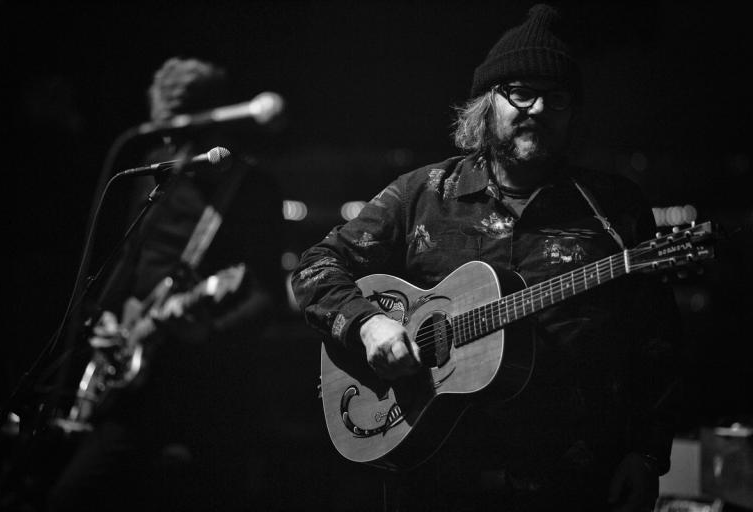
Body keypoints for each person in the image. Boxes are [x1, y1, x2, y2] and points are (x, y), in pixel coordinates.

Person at [292, 4, 683, 512]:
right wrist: (368, 326)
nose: (538, 108)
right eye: (521, 92)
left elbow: (658, 342)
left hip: (574, 482)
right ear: (487, 102)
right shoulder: (423, 195)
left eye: (557, 98)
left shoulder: (615, 208)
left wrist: (647, 455)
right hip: (436, 479)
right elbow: (315, 266)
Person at [47, 57, 286, 512]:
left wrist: (209, 334)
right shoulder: (156, 169)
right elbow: (128, 260)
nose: (171, 139)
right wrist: (105, 319)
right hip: (133, 384)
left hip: (208, 393)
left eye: (181, 129)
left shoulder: (253, 188)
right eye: (166, 129)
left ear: (212, 120)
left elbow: (266, 298)